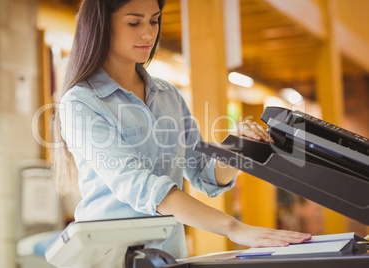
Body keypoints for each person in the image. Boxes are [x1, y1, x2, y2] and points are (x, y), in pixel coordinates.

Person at [52, 0, 311, 259]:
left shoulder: (168, 95)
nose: (148, 34)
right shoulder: (81, 102)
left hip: (169, 256)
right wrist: (234, 228)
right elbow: (138, 185)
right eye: (134, 22)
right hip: (112, 257)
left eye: (154, 20)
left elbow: (203, 173)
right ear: (101, 27)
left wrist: (239, 147)